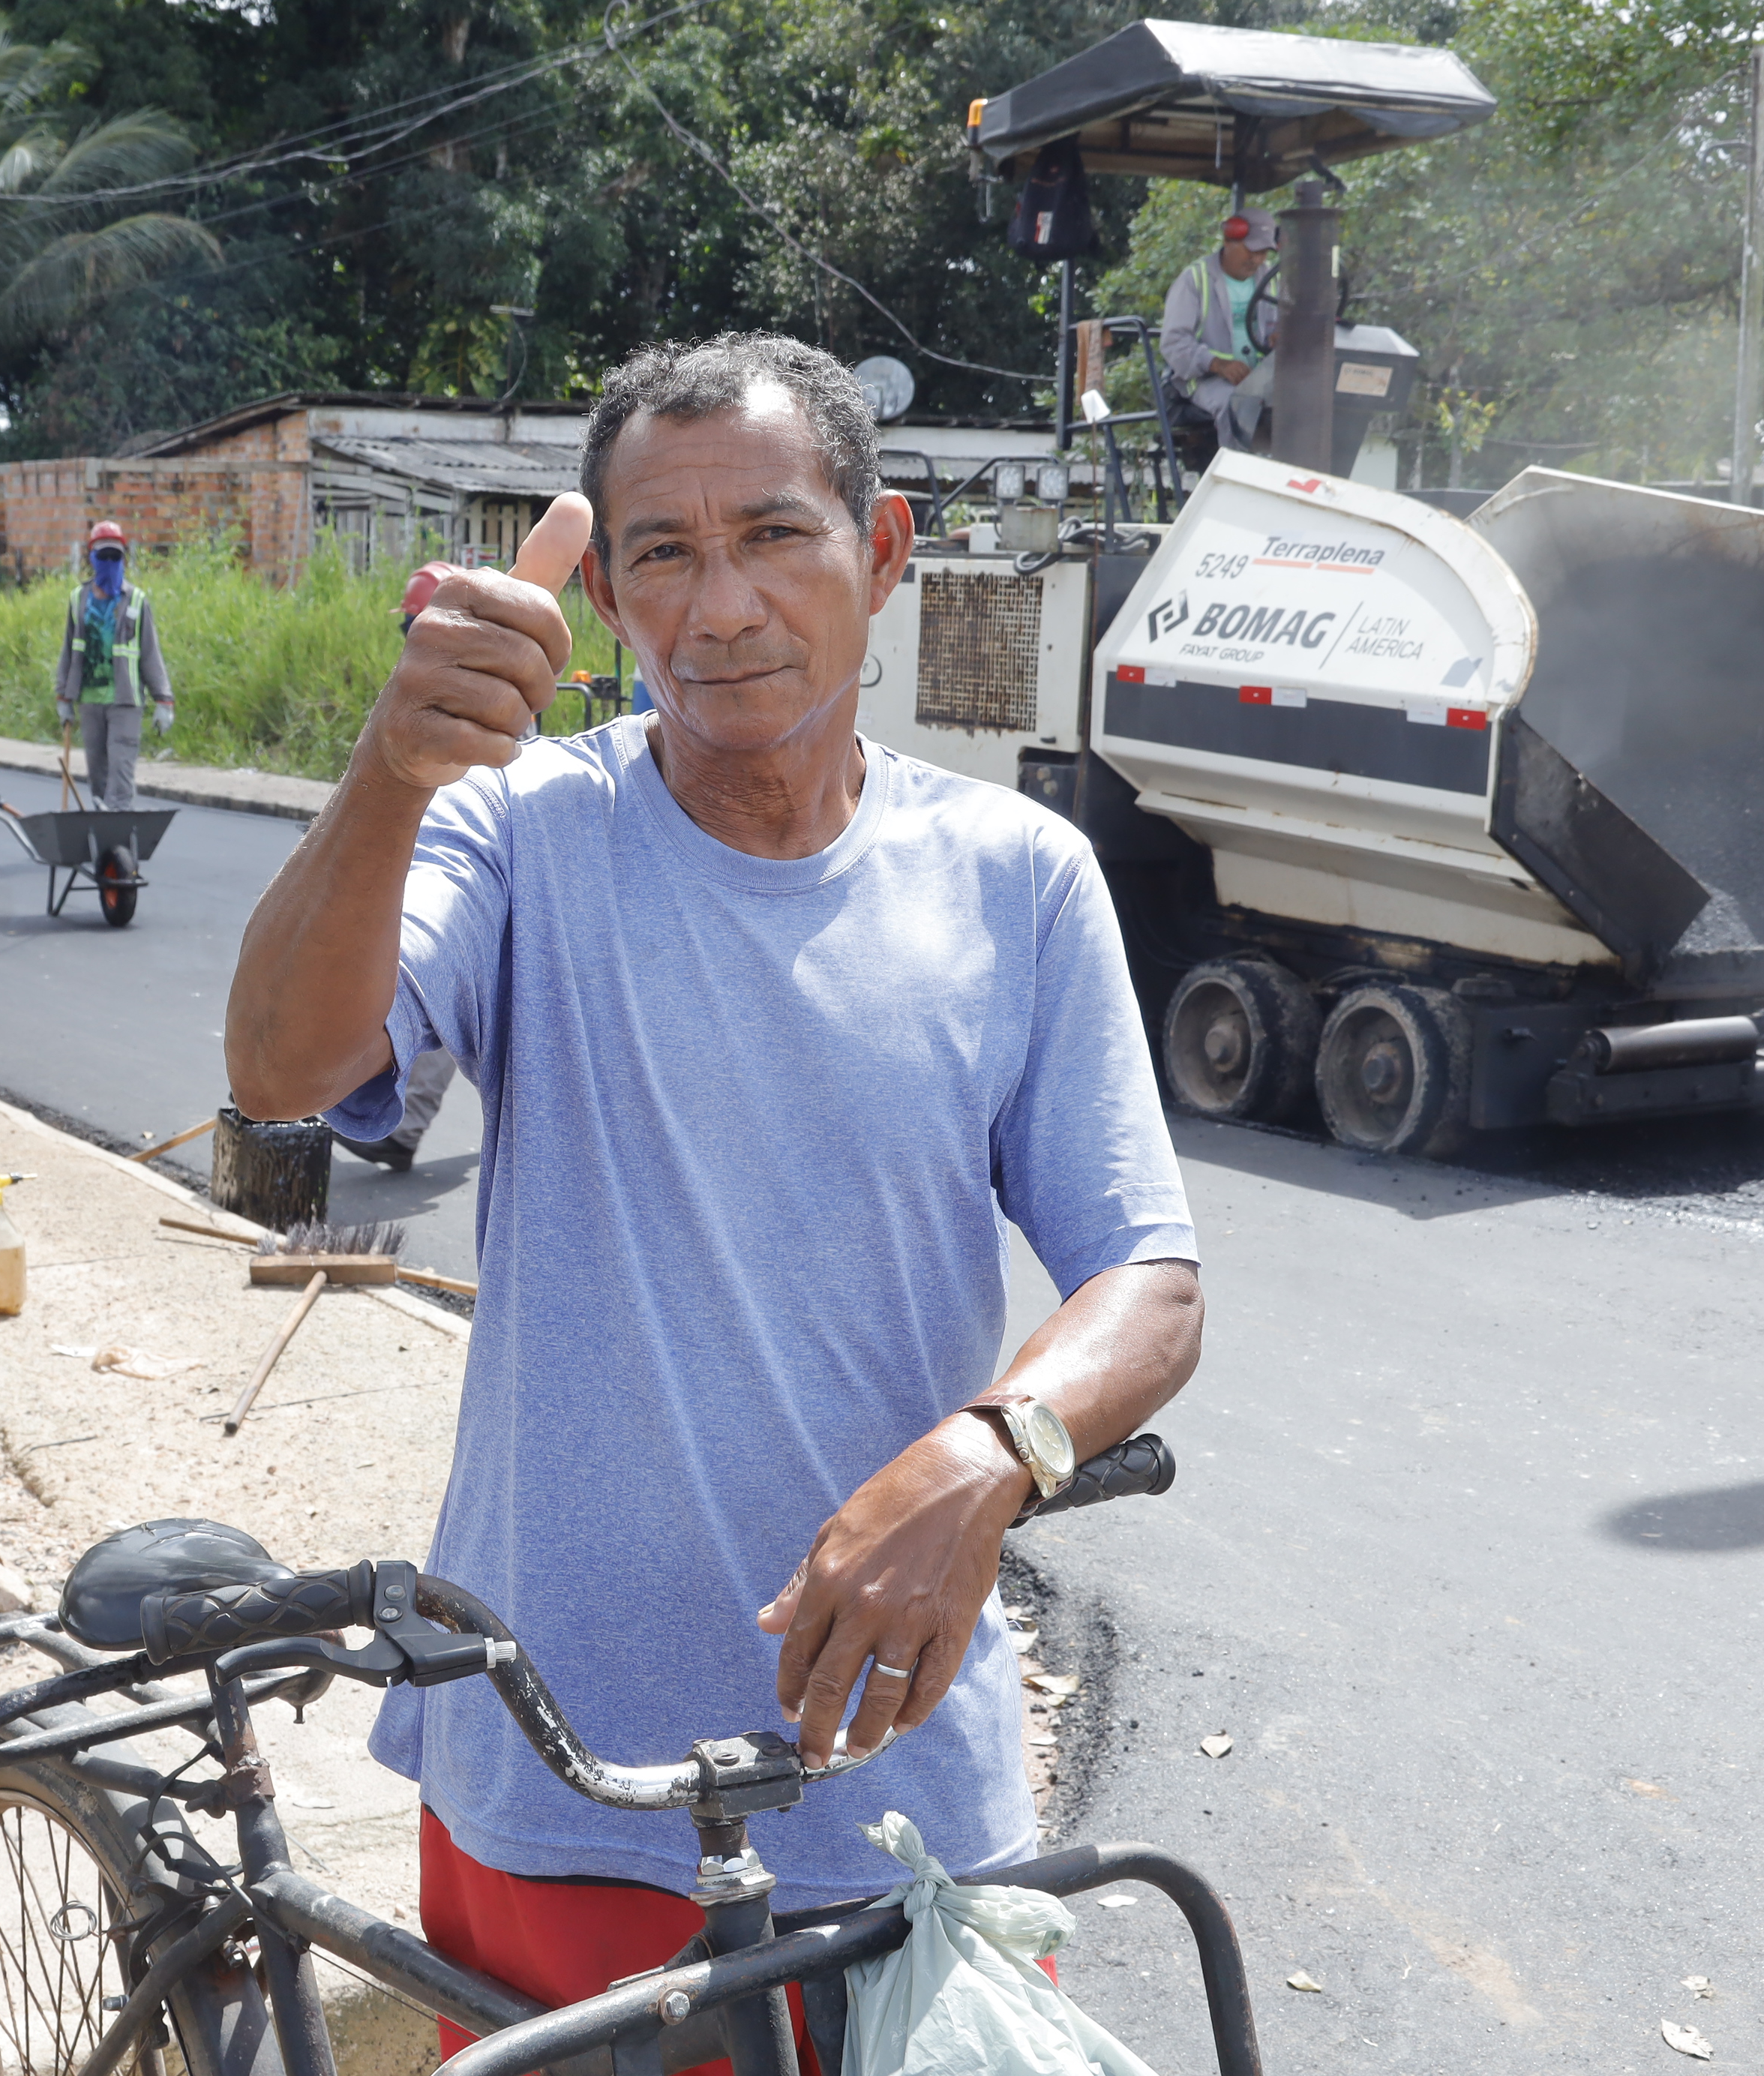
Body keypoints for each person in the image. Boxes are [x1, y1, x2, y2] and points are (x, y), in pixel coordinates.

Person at [224, 333, 1203, 2034]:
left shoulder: (1018, 882)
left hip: (898, 1787)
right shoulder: (514, 832)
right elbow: (282, 1070)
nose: (723, 605)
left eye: (774, 536)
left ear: (881, 554)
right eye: (663, 555)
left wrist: (997, 1450)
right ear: (603, 591)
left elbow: (1147, 1278)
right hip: (558, 1771)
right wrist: (390, 769)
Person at [331, 560, 467, 1174]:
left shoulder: (464, 688)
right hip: (449, 848)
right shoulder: (453, 678)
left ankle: (402, 1128)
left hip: (465, 858)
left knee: (445, 990)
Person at [51, 520, 172, 809]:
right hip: (89, 700)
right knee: (98, 774)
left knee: (120, 773)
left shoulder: (137, 600)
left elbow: (150, 652)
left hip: (125, 701)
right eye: (103, 557)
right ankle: (102, 839)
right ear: (92, 558)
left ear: (123, 557)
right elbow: (69, 649)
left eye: (115, 557)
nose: (109, 563)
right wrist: (63, 696)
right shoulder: (78, 598)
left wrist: (163, 700)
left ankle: (119, 844)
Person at [1159, 205, 1279, 460]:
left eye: (1264, 252)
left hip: (1259, 378)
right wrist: (1218, 364)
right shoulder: (1194, 280)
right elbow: (1173, 342)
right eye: (1252, 250)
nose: (1257, 260)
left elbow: (1282, 324)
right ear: (1229, 240)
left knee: (1302, 401)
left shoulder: (1272, 279)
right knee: (1236, 404)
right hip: (1204, 379)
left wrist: (1282, 337)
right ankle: (1238, 479)